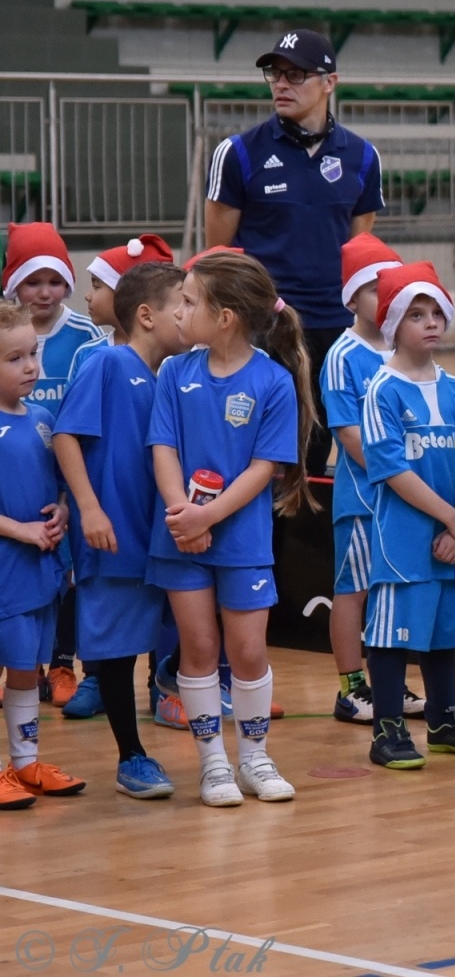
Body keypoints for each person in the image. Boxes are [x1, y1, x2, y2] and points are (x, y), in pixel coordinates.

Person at [147, 249, 318, 806]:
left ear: (225, 318)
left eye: (189, 302)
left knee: (247, 651)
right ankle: (213, 763)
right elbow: (164, 448)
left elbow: (264, 468)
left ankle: (254, 757)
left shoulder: (272, 382)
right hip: (180, 536)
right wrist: (182, 516)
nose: (179, 312)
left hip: (239, 539)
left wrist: (209, 516)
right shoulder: (175, 372)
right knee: (198, 647)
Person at [205, 28, 384, 477]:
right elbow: (219, 258)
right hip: (265, 329)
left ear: (330, 82)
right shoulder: (238, 154)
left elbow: (358, 256)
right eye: (276, 74)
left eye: (297, 74)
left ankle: (302, 547)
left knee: (317, 452)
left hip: (333, 330)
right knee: (254, 453)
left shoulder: (363, 158)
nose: (281, 84)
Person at [54, 263, 187, 798]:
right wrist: (89, 508)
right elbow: (66, 437)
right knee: (114, 651)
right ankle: (131, 755)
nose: (188, 315)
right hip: (111, 536)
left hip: (160, 538)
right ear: (147, 315)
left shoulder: (175, 378)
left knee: (162, 641)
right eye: (182, 304)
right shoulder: (109, 363)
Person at [360, 262, 455, 770]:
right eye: (417, 314)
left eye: (437, 311)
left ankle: (443, 720)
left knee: (444, 631)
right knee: (393, 634)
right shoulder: (382, 390)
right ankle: (388, 729)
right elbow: (393, 469)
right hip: (405, 541)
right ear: (393, 323)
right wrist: (452, 520)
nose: (431, 321)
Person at [4, 222, 103, 709]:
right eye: (32, 281)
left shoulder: (85, 337)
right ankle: (24, 668)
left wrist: (70, 494)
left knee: (65, 578)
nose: (45, 292)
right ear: (13, 285)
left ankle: (63, 664)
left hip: (67, 484)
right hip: (13, 486)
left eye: (55, 281)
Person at [320, 232, 414, 725]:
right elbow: (349, 433)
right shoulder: (343, 355)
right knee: (354, 590)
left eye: (393, 287)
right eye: (376, 289)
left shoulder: (406, 348)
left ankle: (390, 683)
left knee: (390, 591)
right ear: (352, 298)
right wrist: (396, 474)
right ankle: (351, 688)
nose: (386, 297)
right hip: (365, 498)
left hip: (402, 500)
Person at [0, 300, 78, 809]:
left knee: (27, 668)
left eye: (32, 354)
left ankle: (25, 763)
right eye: (14, 358)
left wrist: (64, 512)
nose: (30, 367)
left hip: (42, 572)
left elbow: (62, 485)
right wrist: (21, 531)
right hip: (7, 569)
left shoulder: (46, 419)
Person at [68, 234, 175, 380]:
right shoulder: (87, 353)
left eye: (96, 286)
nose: (88, 295)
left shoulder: (172, 358)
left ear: (124, 293)